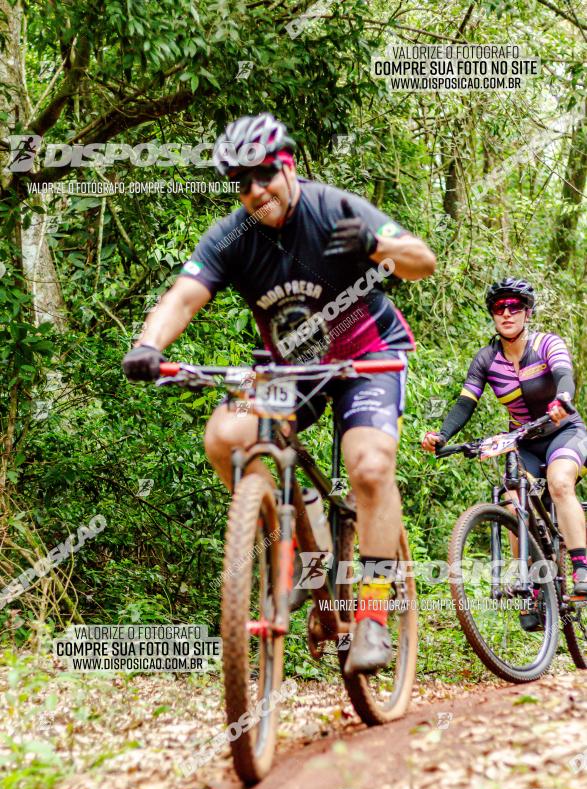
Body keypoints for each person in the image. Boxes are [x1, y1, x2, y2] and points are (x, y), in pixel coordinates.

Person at [122, 112, 436, 674]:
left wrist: (373, 246)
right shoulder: (231, 237)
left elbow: (421, 260)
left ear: (287, 166)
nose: (254, 191)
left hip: (368, 356)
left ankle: (371, 617)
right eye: (240, 183)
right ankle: (299, 540)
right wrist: (149, 344)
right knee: (227, 436)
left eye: (263, 174)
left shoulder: (334, 208)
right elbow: (184, 297)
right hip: (291, 368)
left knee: (367, 467)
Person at [422, 278, 587, 595]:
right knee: (514, 501)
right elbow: (465, 403)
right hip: (523, 441)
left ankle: (581, 568)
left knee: (560, 482)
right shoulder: (486, 360)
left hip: (563, 432)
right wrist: (442, 435)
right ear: (493, 314)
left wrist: (562, 401)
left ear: (528, 312)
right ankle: (531, 583)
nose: (507, 313)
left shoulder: (547, 344)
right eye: (500, 307)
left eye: (515, 307)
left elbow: (565, 375)